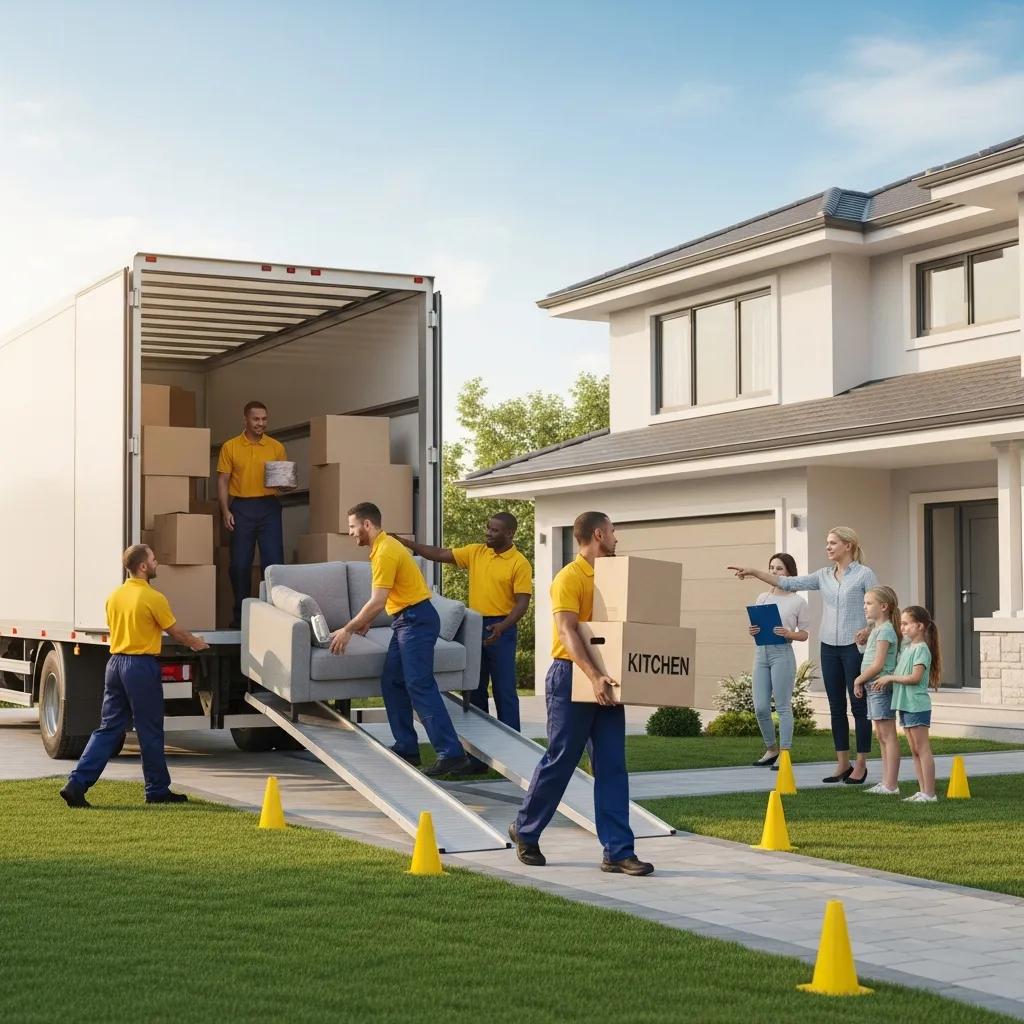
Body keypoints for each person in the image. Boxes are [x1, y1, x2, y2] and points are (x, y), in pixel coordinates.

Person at [509, 511, 653, 876]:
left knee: (612, 765)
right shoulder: (569, 577)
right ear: (599, 534)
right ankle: (525, 830)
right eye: (614, 532)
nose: (617, 538)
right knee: (562, 759)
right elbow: (567, 631)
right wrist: (593, 676)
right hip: (572, 676)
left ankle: (618, 851)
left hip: (606, 677)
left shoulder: (613, 578)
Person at [59, 545, 209, 808]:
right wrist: (197, 643)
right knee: (149, 729)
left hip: (115, 664)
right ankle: (157, 790)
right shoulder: (153, 597)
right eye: (153, 559)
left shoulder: (114, 596)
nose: (157, 563)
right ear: (142, 566)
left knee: (108, 728)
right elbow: (176, 633)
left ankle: (76, 784)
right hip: (140, 666)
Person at [329, 502, 472, 777]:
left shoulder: (385, 551)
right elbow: (391, 596)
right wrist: (367, 620)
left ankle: (451, 753)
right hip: (407, 620)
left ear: (367, 524)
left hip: (416, 621)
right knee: (392, 681)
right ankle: (407, 747)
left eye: (352, 527)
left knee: (419, 684)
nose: (351, 533)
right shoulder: (384, 547)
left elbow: (377, 600)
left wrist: (348, 629)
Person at [729, 526, 877, 786]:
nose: (828, 547)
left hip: (854, 647)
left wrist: (868, 628)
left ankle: (861, 764)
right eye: (827, 543)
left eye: (833, 543)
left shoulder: (865, 574)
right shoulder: (823, 576)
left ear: (848, 545)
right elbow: (788, 583)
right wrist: (753, 571)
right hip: (828, 646)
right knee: (836, 708)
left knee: (858, 706)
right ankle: (843, 763)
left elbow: (880, 606)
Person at [398, 513, 532, 731]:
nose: (488, 533)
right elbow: (439, 553)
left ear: (509, 533)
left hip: (502, 629)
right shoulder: (476, 552)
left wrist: (503, 626)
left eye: (494, 530)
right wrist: (405, 543)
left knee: (504, 688)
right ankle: (478, 741)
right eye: (488, 527)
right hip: (475, 627)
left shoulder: (520, 563)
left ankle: (512, 741)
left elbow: (522, 603)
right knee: (475, 686)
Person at [217, 400, 290, 628]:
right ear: (245, 420)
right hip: (241, 508)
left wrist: (288, 484)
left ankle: (274, 615)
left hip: (269, 507)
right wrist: (225, 510)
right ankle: (241, 618)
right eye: (256, 419)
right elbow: (223, 481)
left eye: (264, 419)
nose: (261, 423)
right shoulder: (230, 447)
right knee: (240, 565)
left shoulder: (276, 447)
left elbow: (283, 482)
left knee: (274, 564)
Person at [748, 553, 809, 768]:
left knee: (782, 707)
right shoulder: (762, 598)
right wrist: (753, 631)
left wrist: (788, 633)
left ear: (789, 573)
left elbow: (804, 634)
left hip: (782, 653)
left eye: (779, 568)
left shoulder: (798, 601)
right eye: (771, 568)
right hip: (761, 653)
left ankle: (785, 753)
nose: (774, 572)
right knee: (760, 708)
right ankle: (771, 749)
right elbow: (756, 628)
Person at [876, 605, 942, 803]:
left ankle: (930, 793)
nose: (902, 628)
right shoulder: (908, 648)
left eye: (906, 624)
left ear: (920, 626)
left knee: (922, 749)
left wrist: (889, 678)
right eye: (902, 624)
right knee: (914, 750)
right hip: (906, 704)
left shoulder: (921, 649)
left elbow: (915, 677)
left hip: (916, 705)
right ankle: (923, 791)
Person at [853, 587, 901, 796]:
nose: (864, 607)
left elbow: (879, 664)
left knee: (888, 735)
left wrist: (858, 680)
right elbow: (871, 657)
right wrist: (861, 645)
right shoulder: (876, 629)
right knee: (881, 735)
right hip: (873, 687)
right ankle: (886, 782)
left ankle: (891, 784)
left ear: (883, 606)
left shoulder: (886, 630)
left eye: (869, 603)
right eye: (864, 603)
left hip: (880, 686)